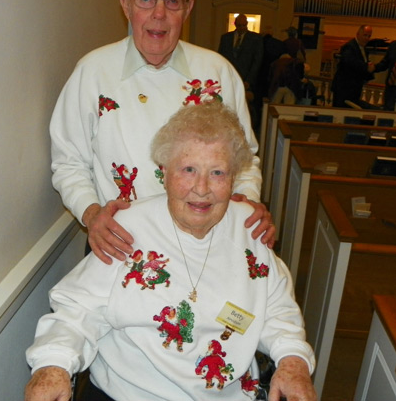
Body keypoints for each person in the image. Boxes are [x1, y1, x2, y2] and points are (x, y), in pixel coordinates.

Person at [25, 102, 316, 401]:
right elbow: (76, 310)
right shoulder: (126, 229)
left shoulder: (250, 228)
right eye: (188, 170)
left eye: (217, 172)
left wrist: (293, 361)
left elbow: (276, 310)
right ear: (164, 172)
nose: (201, 189)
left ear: (233, 179)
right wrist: (53, 365)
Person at [50, 0, 275, 265]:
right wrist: (92, 214)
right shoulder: (93, 72)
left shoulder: (218, 73)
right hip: (120, 246)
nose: (159, 14)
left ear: (188, 8)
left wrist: (246, 204)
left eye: (172, 1)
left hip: (209, 247)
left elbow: (245, 160)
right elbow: (68, 161)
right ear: (126, 5)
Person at [218, 14, 264, 96]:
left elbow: (257, 61)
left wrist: (249, 80)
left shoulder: (256, 38)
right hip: (228, 75)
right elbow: (220, 57)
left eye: (244, 25)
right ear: (235, 24)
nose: (242, 28)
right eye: (239, 25)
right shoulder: (226, 38)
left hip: (246, 77)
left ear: (247, 24)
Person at [331, 25, 375, 108]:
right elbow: (349, 62)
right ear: (358, 34)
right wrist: (367, 67)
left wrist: (369, 71)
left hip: (354, 89)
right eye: (365, 35)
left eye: (369, 36)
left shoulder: (364, 49)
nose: (367, 38)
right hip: (344, 89)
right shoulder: (350, 46)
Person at [373, 40, 396, 111]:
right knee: (388, 111)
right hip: (391, 86)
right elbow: (385, 63)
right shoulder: (393, 45)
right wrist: (373, 68)